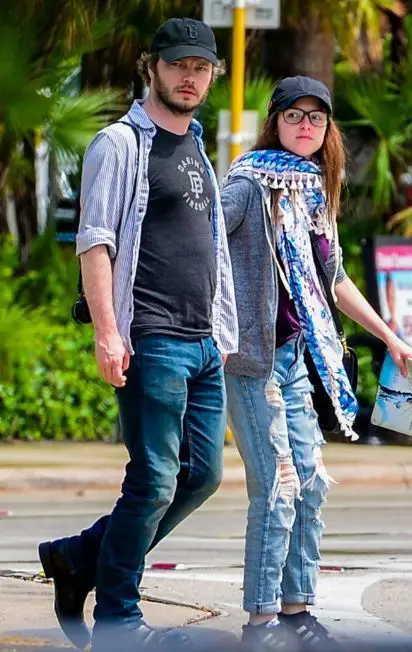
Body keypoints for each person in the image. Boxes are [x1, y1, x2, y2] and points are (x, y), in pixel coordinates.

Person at [38, 17, 238, 652]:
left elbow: (209, 250)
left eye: (200, 67)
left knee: (200, 476)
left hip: (203, 341)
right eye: (178, 64)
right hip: (151, 336)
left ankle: (80, 558)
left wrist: (224, 331)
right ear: (151, 66)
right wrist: (107, 334)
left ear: (212, 75)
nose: (189, 76)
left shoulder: (199, 149)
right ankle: (120, 618)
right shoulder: (120, 144)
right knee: (152, 479)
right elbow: (96, 241)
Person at [220, 75, 412, 651]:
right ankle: (258, 624)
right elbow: (206, 247)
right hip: (252, 362)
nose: (305, 125)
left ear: (327, 130)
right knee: (277, 491)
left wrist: (390, 337)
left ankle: (296, 612)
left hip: (298, 360)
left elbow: (330, 281)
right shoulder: (248, 184)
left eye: (317, 117)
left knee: (310, 486)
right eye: (294, 115)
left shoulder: (312, 193)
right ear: (275, 122)